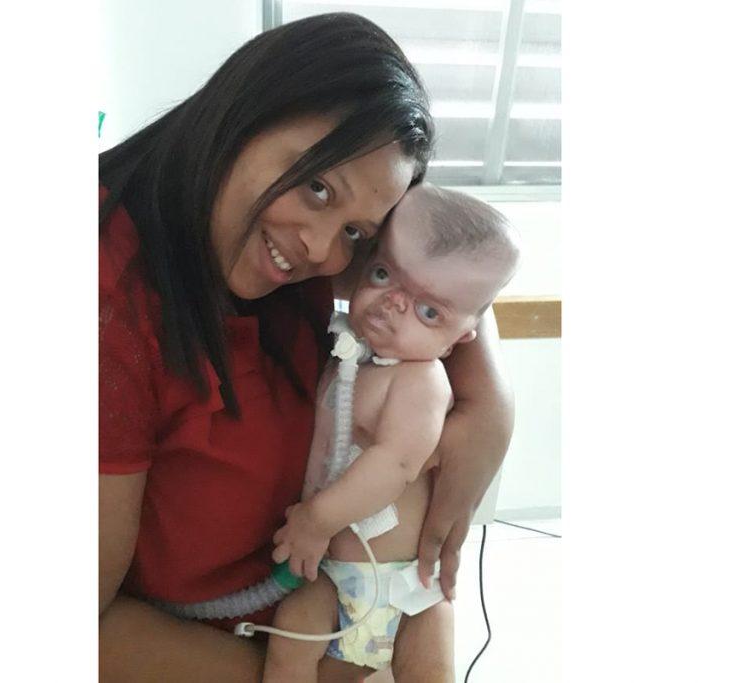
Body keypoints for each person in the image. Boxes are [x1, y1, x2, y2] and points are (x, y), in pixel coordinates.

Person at [98, 13, 515, 682]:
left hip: (327, 617)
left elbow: (447, 267)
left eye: (357, 234)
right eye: (317, 187)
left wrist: (492, 400)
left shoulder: (288, 254)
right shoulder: (110, 303)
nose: (321, 250)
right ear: (244, 108)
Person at [261, 185, 520, 681]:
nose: (392, 304)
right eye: (382, 275)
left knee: (426, 671)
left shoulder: (420, 380)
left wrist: (317, 519)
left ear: (463, 336)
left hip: (406, 584)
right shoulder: (347, 353)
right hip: (331, 576)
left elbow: (396, 462)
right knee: (289, 640)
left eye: (429, 312)